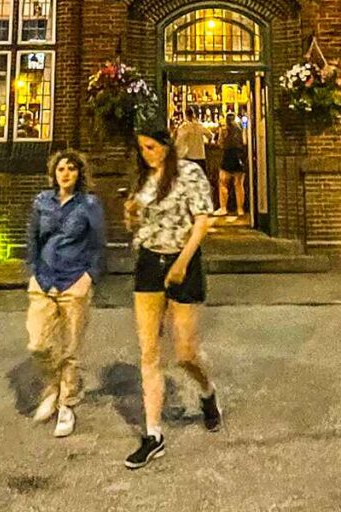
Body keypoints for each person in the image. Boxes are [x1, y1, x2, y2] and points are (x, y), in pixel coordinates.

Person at [122, 123, 222, 469]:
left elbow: (202, 221)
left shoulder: (190, 172)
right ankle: (153, 435)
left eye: (151, 147)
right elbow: (138, 222)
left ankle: (207, 392)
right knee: (149, 352)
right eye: (142, 149)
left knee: (185, 351)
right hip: (149, 262)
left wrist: (181, 262)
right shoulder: (144, 178)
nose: (146, 154)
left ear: (166, 144)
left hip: (183, 263)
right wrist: (131, 215)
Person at [25, 149, 105, 438]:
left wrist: (88, 277)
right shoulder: (41, 202)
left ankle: (66, 404)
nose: (66, 173)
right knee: (38, 343)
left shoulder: (89, 205)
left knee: (70, 349)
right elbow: (32, 239)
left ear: (79, 172)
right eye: (61, 169)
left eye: (72, 168)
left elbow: (97, 246)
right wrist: (33, 271)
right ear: (54, 173)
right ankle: (52, 385)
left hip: (74, 281)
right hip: (44, 280)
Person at [216, 112, 247, 219]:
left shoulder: (224, 129)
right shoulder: (241, 128)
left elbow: (220, 144)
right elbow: (245, 141)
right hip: (239, 155)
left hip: (228, 155)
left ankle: (223, 208)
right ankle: (240, 209)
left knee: (223, 182)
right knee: (238, 184)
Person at [173, 105, 208, 172]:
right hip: (201, 157)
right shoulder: (200, 126)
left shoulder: (183, 128)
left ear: (185, 115)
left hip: (190, 158)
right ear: (193, 114)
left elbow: (178, 143)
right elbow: (210, 135)